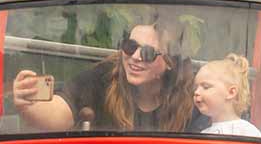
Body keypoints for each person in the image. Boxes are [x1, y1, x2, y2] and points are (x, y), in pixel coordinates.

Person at [13, 21, 208, 133]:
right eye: (130, 46)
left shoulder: (192, 97)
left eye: (148, 53)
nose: (135, 57)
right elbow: (60, 114)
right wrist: (28, 104)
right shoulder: (103, 77)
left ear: (169, 63)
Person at [193, 53, 261, 137]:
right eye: (196, 87)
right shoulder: (203, 134)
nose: (196, 92)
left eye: (206, 87)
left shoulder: (247, 132)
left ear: (231, 92)